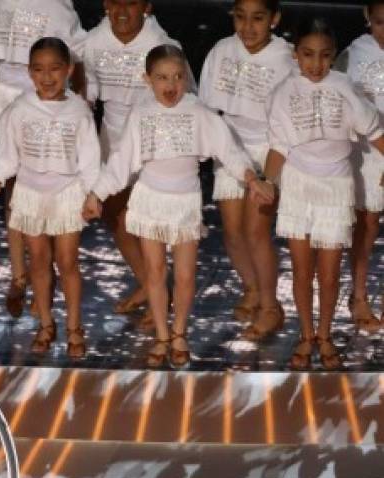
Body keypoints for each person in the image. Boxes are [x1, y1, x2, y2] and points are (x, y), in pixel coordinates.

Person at [83, 45, 272, 367]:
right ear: (147, 79)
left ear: (186, 78)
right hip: (149, 200)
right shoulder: (141, 115)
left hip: (185, 201)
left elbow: (230, 150)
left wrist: (252, 180)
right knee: (155, 273)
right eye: (161, 78)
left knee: (185, 275)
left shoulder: (198, 112)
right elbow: (121, 161)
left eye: (177, 77)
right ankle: (161, 334)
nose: (170, 86)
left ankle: (180, 331)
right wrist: (96, 194)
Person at [253, 18, 384, 369]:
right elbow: (279, 145)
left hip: (336, 187)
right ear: (296, 55)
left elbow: (374, 131)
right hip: (298, 186)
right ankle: (305, 335)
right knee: (301, 271)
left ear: (333, 56)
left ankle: (325, 336)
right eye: (308, 55)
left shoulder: (344, 87)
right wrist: (267, 180)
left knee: (328, 274)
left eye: (325, 56)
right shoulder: (284, 92)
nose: (316, 64)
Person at [0, 37, 98, 357]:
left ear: (69, 70)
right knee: (39, 262)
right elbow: (6, 155)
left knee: (68, 261)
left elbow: (89, 158)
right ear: (30, 73)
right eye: (39, 70)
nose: (47, 77)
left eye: (55, 69)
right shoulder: (19, 109)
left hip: (67, 193)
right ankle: (46, 324)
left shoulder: (78, 110)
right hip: (31, 192)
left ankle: (74, 326)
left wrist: (92, 194)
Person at [0, 0, 85, 317]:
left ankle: (43, 280)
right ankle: (20, 276)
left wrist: (80, 105)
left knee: (45, 187)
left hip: (52, 99)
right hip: (8, 100)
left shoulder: (57, 8)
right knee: (16, 195)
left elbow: (75, 60)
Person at [79, 0, 184, 326]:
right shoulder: (92, 43)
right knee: (115, 214)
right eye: (115, 2)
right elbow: (87, 96)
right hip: (112, 136)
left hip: (153, 137)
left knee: (151, 219)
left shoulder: (163, 46)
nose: (122, 11)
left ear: (147, 6)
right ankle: (150, 284)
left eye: (131, 3)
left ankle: (162, 298)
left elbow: (182, 97)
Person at [199, 0, 293, 340]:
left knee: (256, 232)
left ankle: (271, 307)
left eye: (257, 19)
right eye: (240, 17)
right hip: (230, 146)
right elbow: (208, 108)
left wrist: (270, 172)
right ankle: (251, 287)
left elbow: (288, 121)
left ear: (274, 19)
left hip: (269, 150)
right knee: (233, 231)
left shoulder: (286, 59)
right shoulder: (222, 50)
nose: (248, 27)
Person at [338, 0, 384, 333]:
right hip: (367, 152)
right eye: (381, 22)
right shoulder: (352, 55)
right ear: (368, 18)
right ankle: (359, 294)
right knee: (365, 227)